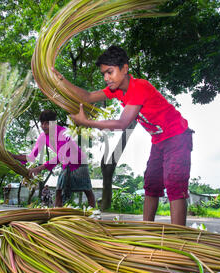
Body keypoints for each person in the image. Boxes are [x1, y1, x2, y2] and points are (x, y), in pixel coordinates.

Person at [52, 45, 193, 226]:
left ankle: (178, 236)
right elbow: (87, 96)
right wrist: (62, 81)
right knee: (151, 184)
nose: (106, 78)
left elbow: (122, 123)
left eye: (109, 72)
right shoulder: (117, 90)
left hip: (178, 137)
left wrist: (87, 123)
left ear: (124, 68)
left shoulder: (139, 87)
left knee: (174, 183)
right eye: (104, 73)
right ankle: (146, 229)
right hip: (159, 140)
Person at [11, 110, 95, 208]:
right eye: (42, 123)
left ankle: (93, 213)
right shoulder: (42, 137)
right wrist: (13, 156)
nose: (44, 126)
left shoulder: (63, 132)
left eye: (47, 123)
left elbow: (61, 155)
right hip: (66, 164)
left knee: (87, 189)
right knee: (59, 190)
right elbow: (31, 157)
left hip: (79, 162)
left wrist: (39, 168)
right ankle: (56, 212)